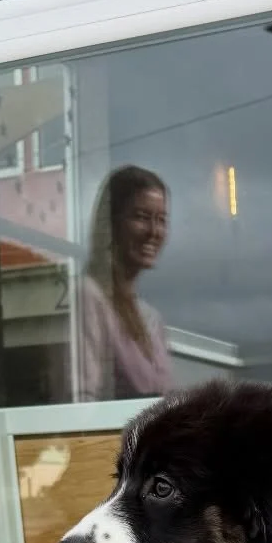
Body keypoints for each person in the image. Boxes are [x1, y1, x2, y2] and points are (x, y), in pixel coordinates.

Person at [80, 165, 173, 401]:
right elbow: (80, 406)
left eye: (161, 220)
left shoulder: (151, 319)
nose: (154, 231)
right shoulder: (89, 298)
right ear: (112, 223)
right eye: (142, 217)